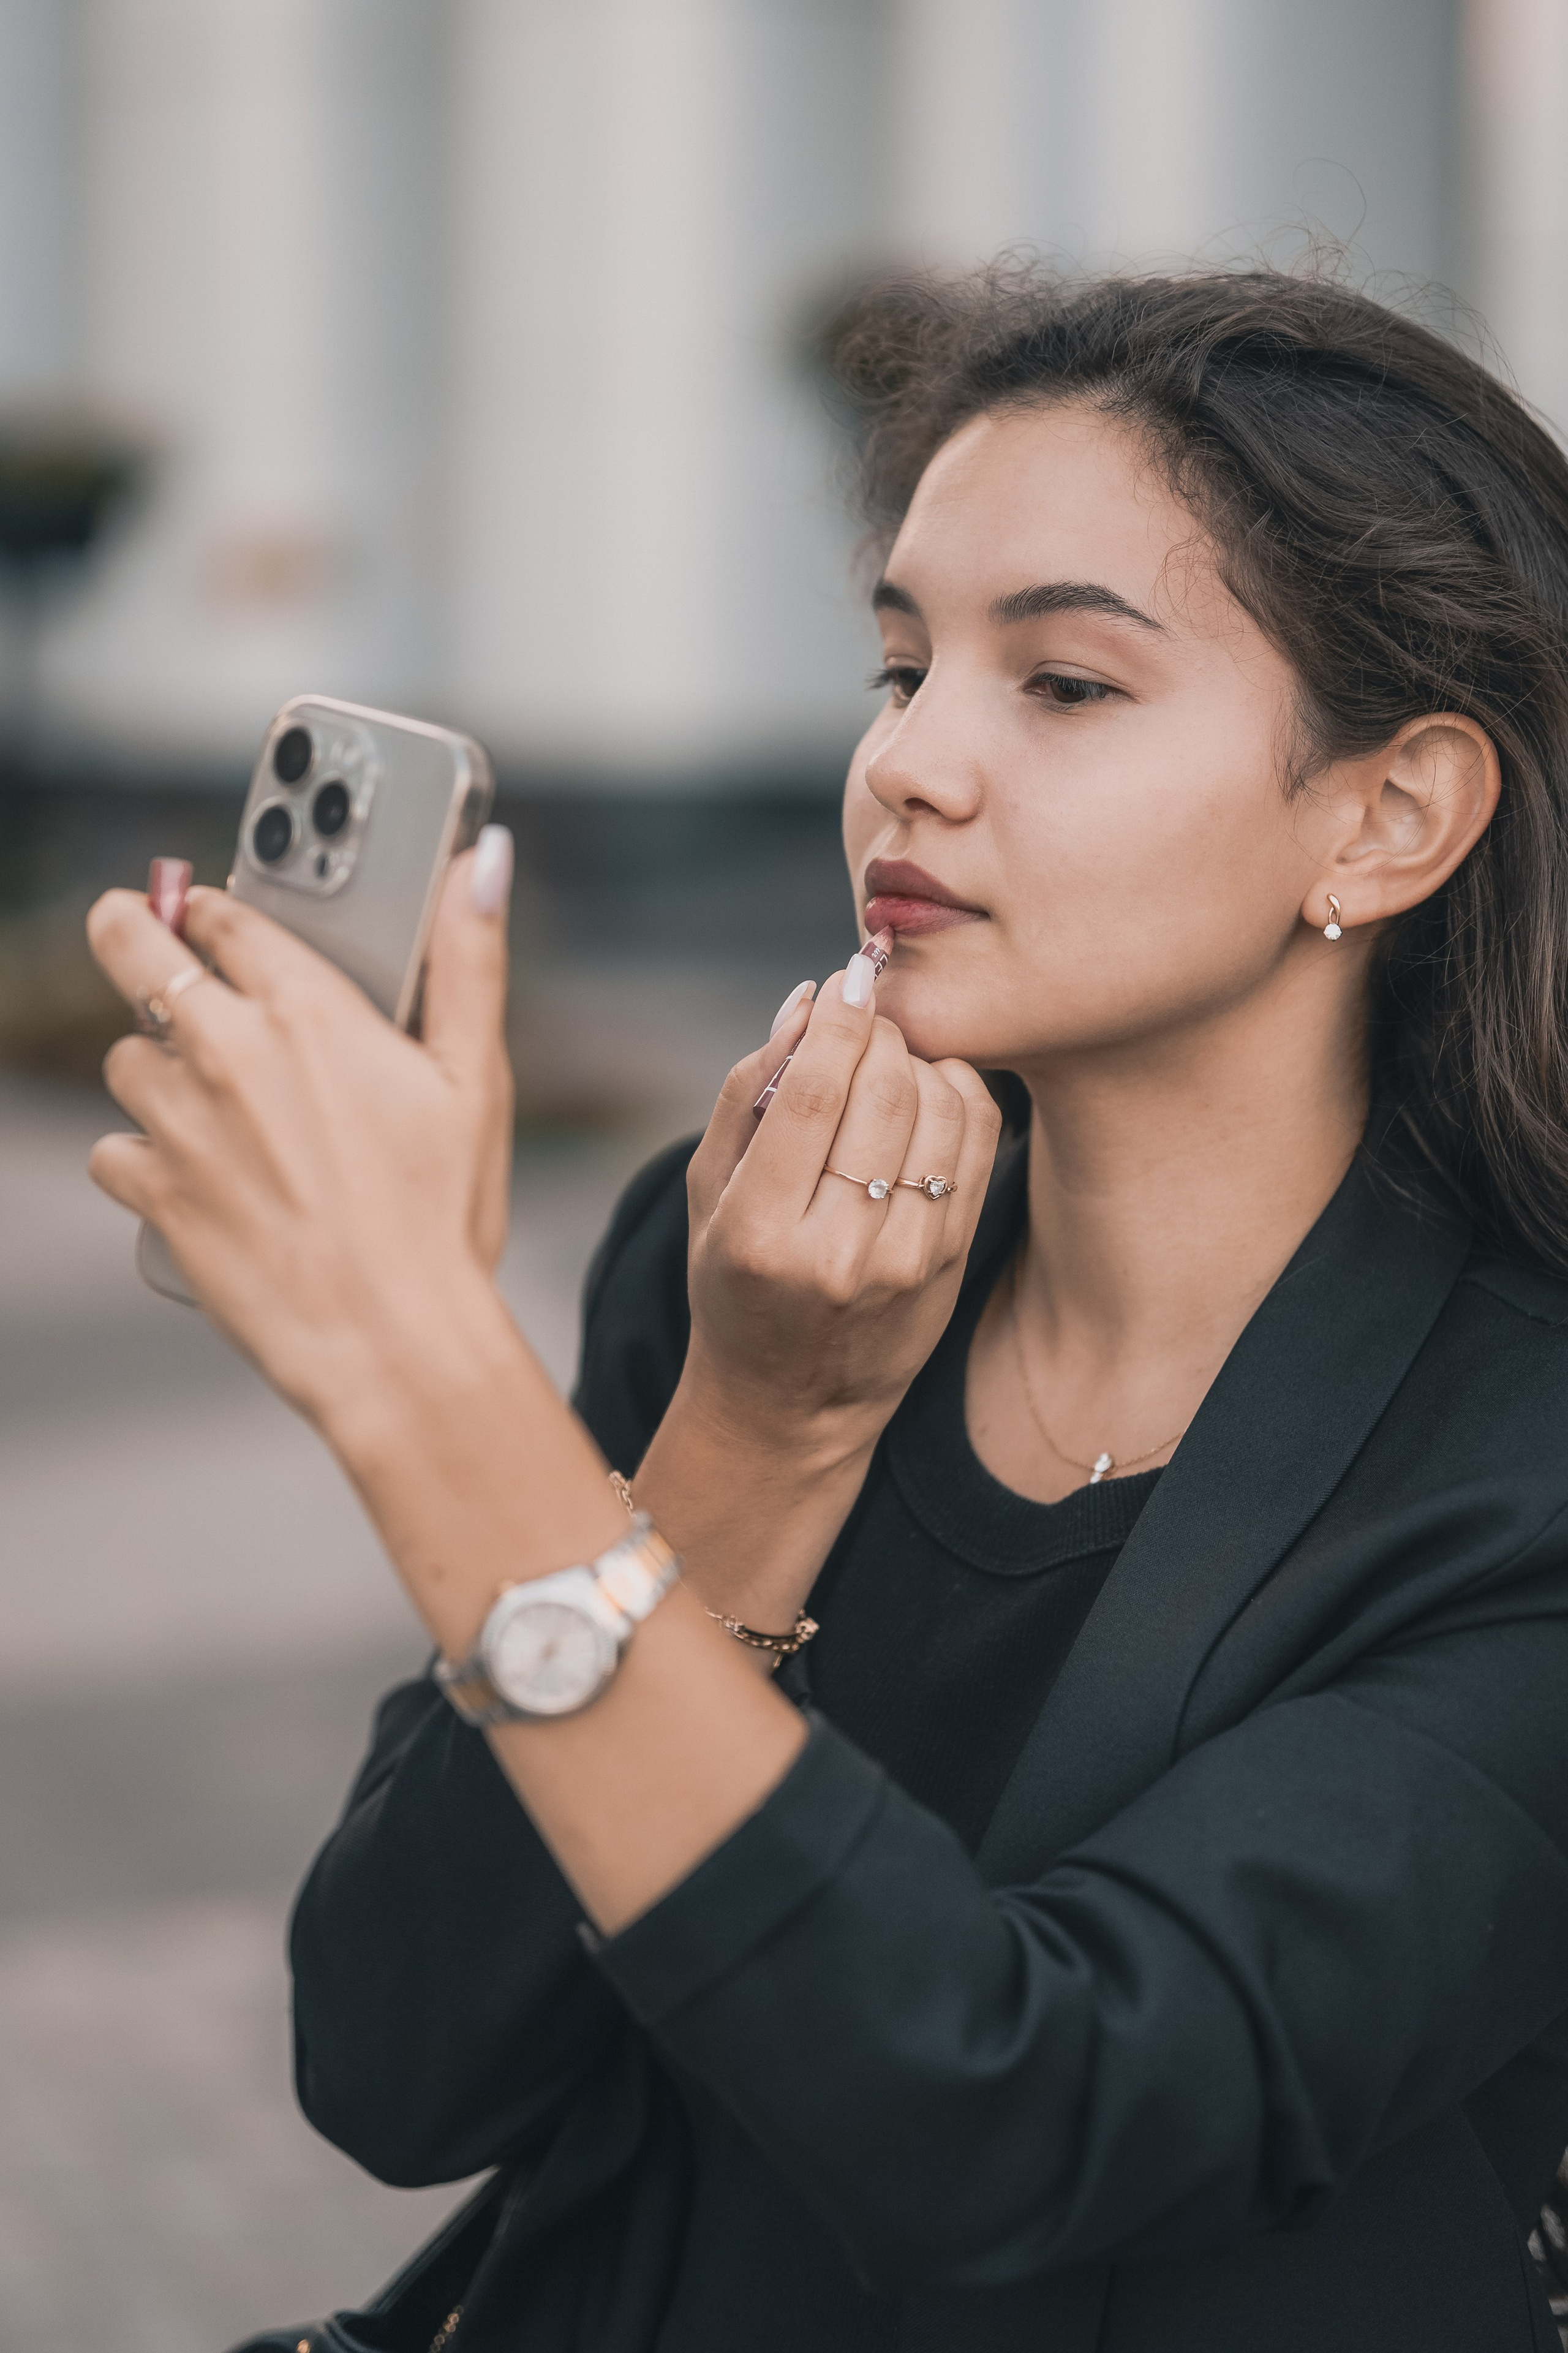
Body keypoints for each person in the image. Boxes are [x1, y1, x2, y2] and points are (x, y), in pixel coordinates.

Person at [86, 264, 1568, 2353]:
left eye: (1066, 683)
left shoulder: (1519, 1471)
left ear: (1389, 813)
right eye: (900, 665)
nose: (911, 763)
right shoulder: (739, 1266)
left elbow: (1023, 2115)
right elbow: (404, 2061)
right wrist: (754, 1438)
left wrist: (417, 1361)